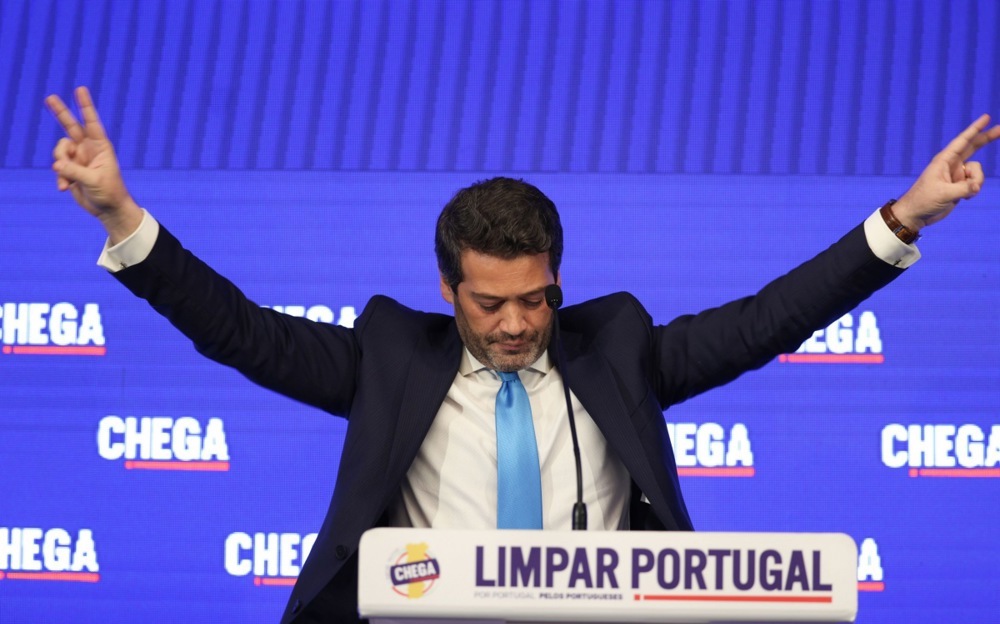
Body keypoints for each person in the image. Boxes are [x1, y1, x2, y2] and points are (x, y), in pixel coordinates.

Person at [46, 86, 998, 623]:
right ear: (447, 290)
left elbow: (768, 320)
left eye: (536, 300)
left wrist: (903, 218)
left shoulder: (617, 351)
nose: (515, 325)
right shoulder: (389, 357)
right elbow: (238, 330)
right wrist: (123, 218)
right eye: (490, 303)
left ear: (558, 282)